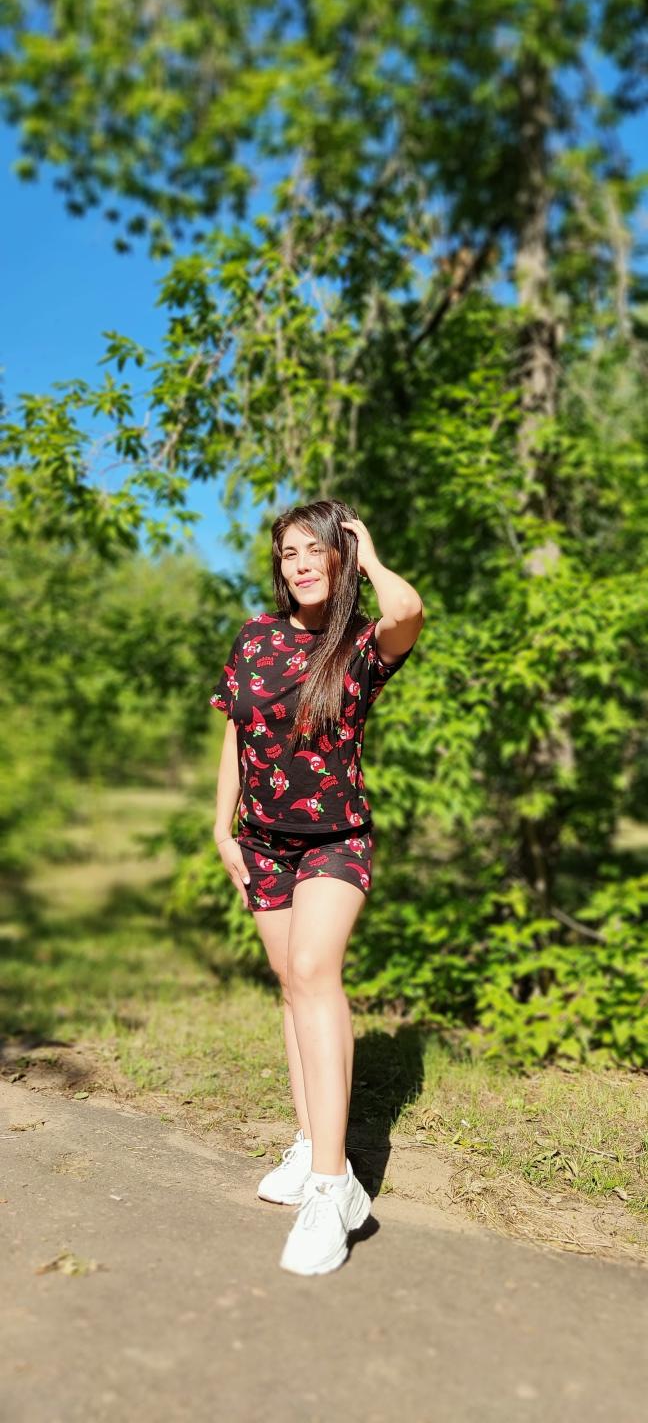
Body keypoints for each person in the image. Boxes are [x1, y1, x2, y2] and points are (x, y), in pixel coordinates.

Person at [210, 498, 424, 1275]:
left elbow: (408, 610)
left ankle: (334, 1188)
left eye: (315, 549)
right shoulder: (255, 636)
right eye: (288, 553)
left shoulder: (364, 645)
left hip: (336, 838)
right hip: (262, 841)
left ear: (341, 557)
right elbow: (235, 727)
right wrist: (222, 827)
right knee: (290, 987)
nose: (299, 564)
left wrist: (368, 552)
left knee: (313, 972)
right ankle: (310, 1142)